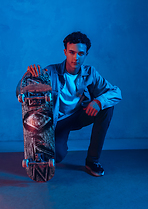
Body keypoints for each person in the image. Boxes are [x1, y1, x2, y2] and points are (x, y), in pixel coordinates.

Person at [16, 31, 122, 177]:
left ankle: (92, 161)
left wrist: (98, 101)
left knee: (107, 107)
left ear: (86, 54)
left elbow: (116, 92)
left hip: (78, 116)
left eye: (81, 53)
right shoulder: (50, 72)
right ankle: (53, 147)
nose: (76, 57)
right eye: (72, 52)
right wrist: (27, 77)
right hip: (56, 122)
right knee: (57, 156)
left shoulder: (90, 73)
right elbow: (21, 94)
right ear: (65, 52)